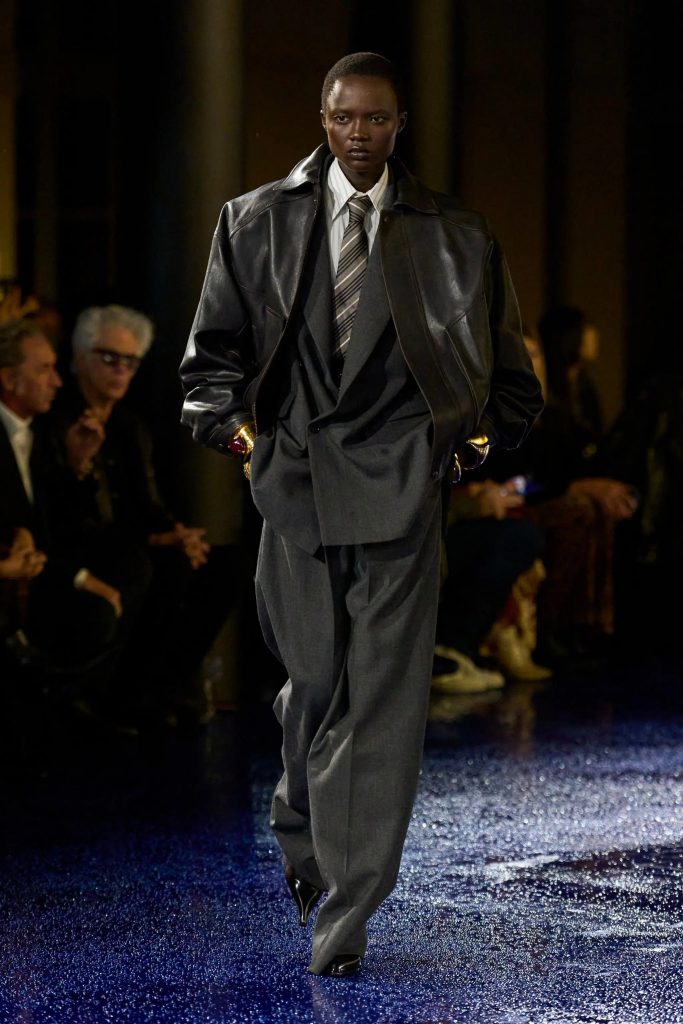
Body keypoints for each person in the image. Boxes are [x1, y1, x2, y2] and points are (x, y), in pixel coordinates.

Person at [179, 52, 543, 977]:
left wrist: (461, 454)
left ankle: (344, 916)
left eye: (376, 119)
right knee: (311, 692)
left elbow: (511, 384)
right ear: (323, 118)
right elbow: (207, 367)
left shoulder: (457, 234)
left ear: (398, 124)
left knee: (379, 707)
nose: (359, 134)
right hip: (293, 488)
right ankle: (302, 829)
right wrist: (249, 445)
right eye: (345, 118)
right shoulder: (254, 220)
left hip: (400, 490)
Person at [49, 304, 237, 728]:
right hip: (91, 549)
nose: (121, 370)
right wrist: (158, 539)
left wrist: (178, 533)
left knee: (224, 565)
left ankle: (162, 692)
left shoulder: (130, 427)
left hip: (139, 543)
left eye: (131, 362)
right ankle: (126, 699)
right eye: (110, 358)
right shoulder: (56, 418)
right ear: (79, 358)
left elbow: (149, 505)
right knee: (159, 566)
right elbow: (68, 517)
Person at [0, 318, 123, 682]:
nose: (56, 381)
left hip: (40, 572)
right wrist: (80, 578)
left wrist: (78, 463)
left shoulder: (44, 432)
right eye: (44, 370)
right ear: (9, 379)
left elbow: (62, 524)